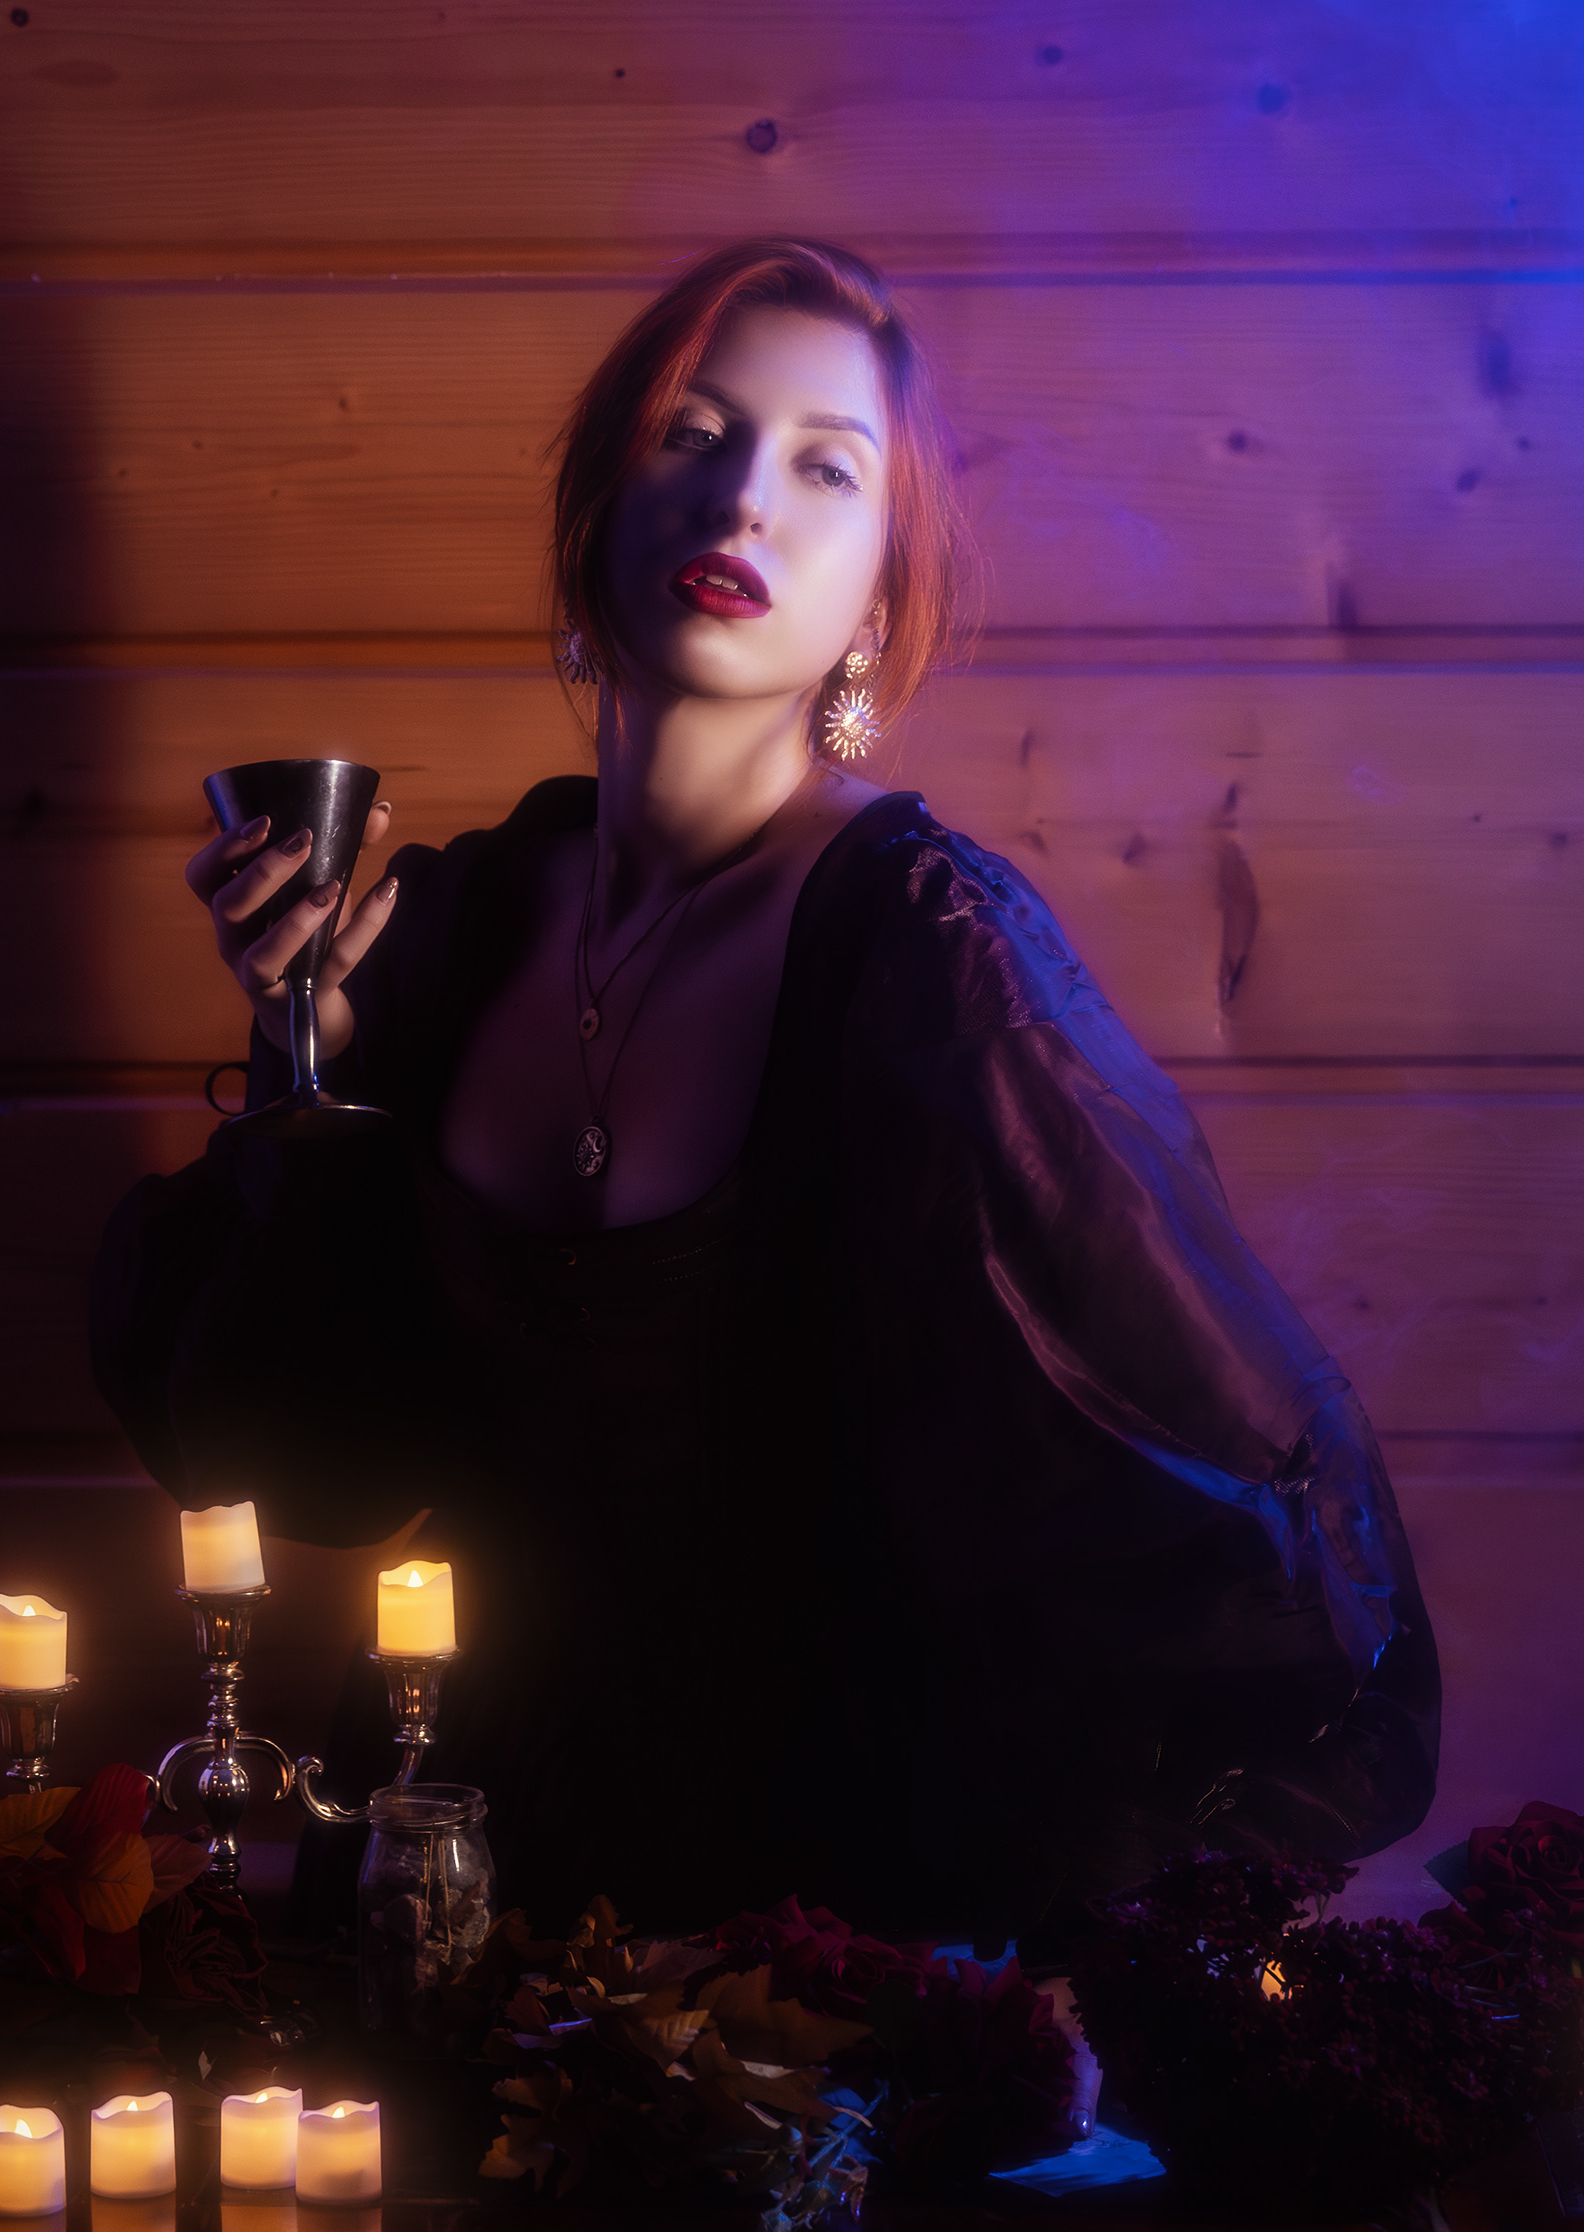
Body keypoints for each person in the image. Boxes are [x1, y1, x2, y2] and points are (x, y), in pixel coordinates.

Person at [92, 239, 1436, 1946]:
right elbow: (319, 1467)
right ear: (600, 503)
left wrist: (1066, 1945)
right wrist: (313, 1059)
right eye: (696, 434)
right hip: (459, 1868)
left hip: (814, 1924)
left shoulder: (931, 954)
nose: (744, 501)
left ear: (877, 597)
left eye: (825, 467)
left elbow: (1231, 1510)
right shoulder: (463, 922)